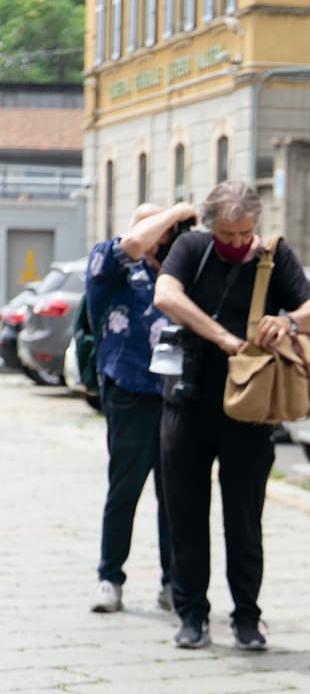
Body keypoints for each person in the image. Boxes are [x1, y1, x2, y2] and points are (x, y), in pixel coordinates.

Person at [153, 181, 310, 651]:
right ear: (211, 228)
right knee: (185, 516)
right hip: (186, 404)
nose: (237, 243)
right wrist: (222, 339)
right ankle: (191, 616)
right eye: (227, 234)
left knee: (245, 520)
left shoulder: (273, 255)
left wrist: (288, 321)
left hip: (251, 410)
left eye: (245, 232)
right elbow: (165, 295)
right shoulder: (192, 248)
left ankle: (247, 619)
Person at [86, 202, 196, 614]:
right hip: (129, 392)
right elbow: (132, 243)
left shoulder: (178, 270)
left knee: (173, 496)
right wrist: (173, 211)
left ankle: (173, 582)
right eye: (151, 226)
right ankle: (109, 578)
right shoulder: (110, 260)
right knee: (124, 490)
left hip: (173, 394)